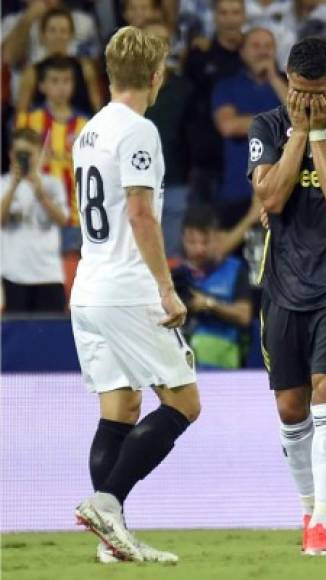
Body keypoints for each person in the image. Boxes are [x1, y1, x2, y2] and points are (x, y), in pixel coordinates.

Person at [71, 26, 200, 564]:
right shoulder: (139, 130)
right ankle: (107, 503)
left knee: (120, 407)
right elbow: (141, 213)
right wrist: (166, 289)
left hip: (88, 287)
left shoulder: (89, 131)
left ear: (108, 73)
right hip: (127, 288)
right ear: (156, 76)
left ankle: (111, 542)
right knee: (184, 402)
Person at [249, 37, 326, 556]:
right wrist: (300, 129)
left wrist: (318, 129)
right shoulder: (267, 127)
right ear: (287, 80)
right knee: (290, 407)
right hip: (282, 283)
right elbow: (270, 196)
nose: (309, 102)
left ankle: (322, 521)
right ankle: (308, 502)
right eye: (300, 93)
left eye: (318, 94)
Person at [16, 55, 88, 296]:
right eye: (54, 81)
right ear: (42, 86)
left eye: (66, 80)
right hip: (39, 218)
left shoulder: (85, 125)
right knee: (43, 279)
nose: (60, 87)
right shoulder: (29, 121)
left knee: (73, 286)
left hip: (76, 219)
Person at [212, 27, 287, 228]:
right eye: (255, 46)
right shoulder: (227, 86)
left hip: (284, 187)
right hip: (239, 188)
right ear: (242, 52)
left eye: (268, 46)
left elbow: (301, 120)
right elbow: (228, 126)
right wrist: (279, 122)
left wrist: (273, 79)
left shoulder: (289, 84)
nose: (263, 51)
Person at [173, 206, 253, 369]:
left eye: (205, 241)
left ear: (217, 237)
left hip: (224, 366)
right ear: (183, 239)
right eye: (192, 242)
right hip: (181, 364)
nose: (199, 249)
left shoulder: (235, 269)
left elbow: (244, 316)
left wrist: (209, 304)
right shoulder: (175, 274)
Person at [183, 0, 246, 205]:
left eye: (235, 13)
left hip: (247, 154)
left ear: (244, 16)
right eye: (224, 13)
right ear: (215, 17)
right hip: (208, 161)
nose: (229, 19)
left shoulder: (254, 54)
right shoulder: (199, 56)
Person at [1, 127, 68, 313]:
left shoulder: (52, 184)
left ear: (40, 155)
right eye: (18, 154)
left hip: (49, 274)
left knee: (50, 336)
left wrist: (41, 195)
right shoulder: (3, 184)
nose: (23, 159)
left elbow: (63, 220)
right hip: (15, 275)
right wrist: (13, 186)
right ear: (10, 155)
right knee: (18, 336)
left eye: (28, 154)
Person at [143, 20, 195, 258]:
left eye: (163, 42)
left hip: (174, 184)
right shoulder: (123, 89)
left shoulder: (185, 89)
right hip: (132, 187)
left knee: (171, 260)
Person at [15, 7, 102, 115]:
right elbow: (21, 115)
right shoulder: (31, 73)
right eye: (52, 30)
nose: (58, 36)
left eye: (63, 31)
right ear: (42, 34)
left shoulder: (85, 68)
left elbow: (97, 108)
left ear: (71, 34)